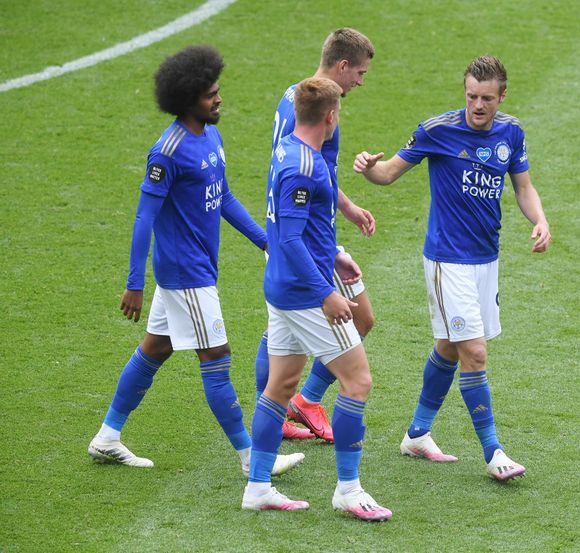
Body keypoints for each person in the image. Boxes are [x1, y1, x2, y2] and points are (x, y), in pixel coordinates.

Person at [88, 45, 303, 478]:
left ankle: (107, 437)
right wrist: (135, 283)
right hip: (186, 273)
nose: (219, 100)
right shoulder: (166, 151)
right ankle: (252, 459)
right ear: (188, 99)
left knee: (156, 348)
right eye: (211, 95)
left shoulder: (211, 135)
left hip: (195, 269)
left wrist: (265, 241)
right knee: (217, 358)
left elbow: (222, 196)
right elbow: (144, 216)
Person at [353, 55, 551, 481]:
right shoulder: (438, 130)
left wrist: (540, 220)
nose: (477, 106)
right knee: (474, 352)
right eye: (471, 96)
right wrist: (370, 169)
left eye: (486, 98)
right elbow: (388, 174)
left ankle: (417, 434)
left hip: (486, 259)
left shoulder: (511, 132)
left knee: (448, 345)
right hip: (447, 260)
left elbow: (523, 186)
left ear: (502, 96)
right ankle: (493, 451)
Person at [242, 77, 391, 521]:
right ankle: (348, 489)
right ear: (330, 116)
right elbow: (286, 239)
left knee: (280, 386)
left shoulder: (288, 150)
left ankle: (258, 486)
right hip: (304, 294)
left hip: (285, 287)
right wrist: (326, 292)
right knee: (357, 381)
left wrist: (337, 258)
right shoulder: (303, 167)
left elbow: (307, 229)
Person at [255, 28, 377, 442]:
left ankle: (292, 406)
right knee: (290, 337)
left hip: (308, 232)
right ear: (342, 65)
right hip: (302, 238)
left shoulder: (296, 96)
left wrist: (348, 208)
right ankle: (281, 415)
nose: (360, 81)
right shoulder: (318, 115)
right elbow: (302, 183)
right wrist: (332, 243)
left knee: (353, 320)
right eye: (359, 72)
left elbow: (315, 180)